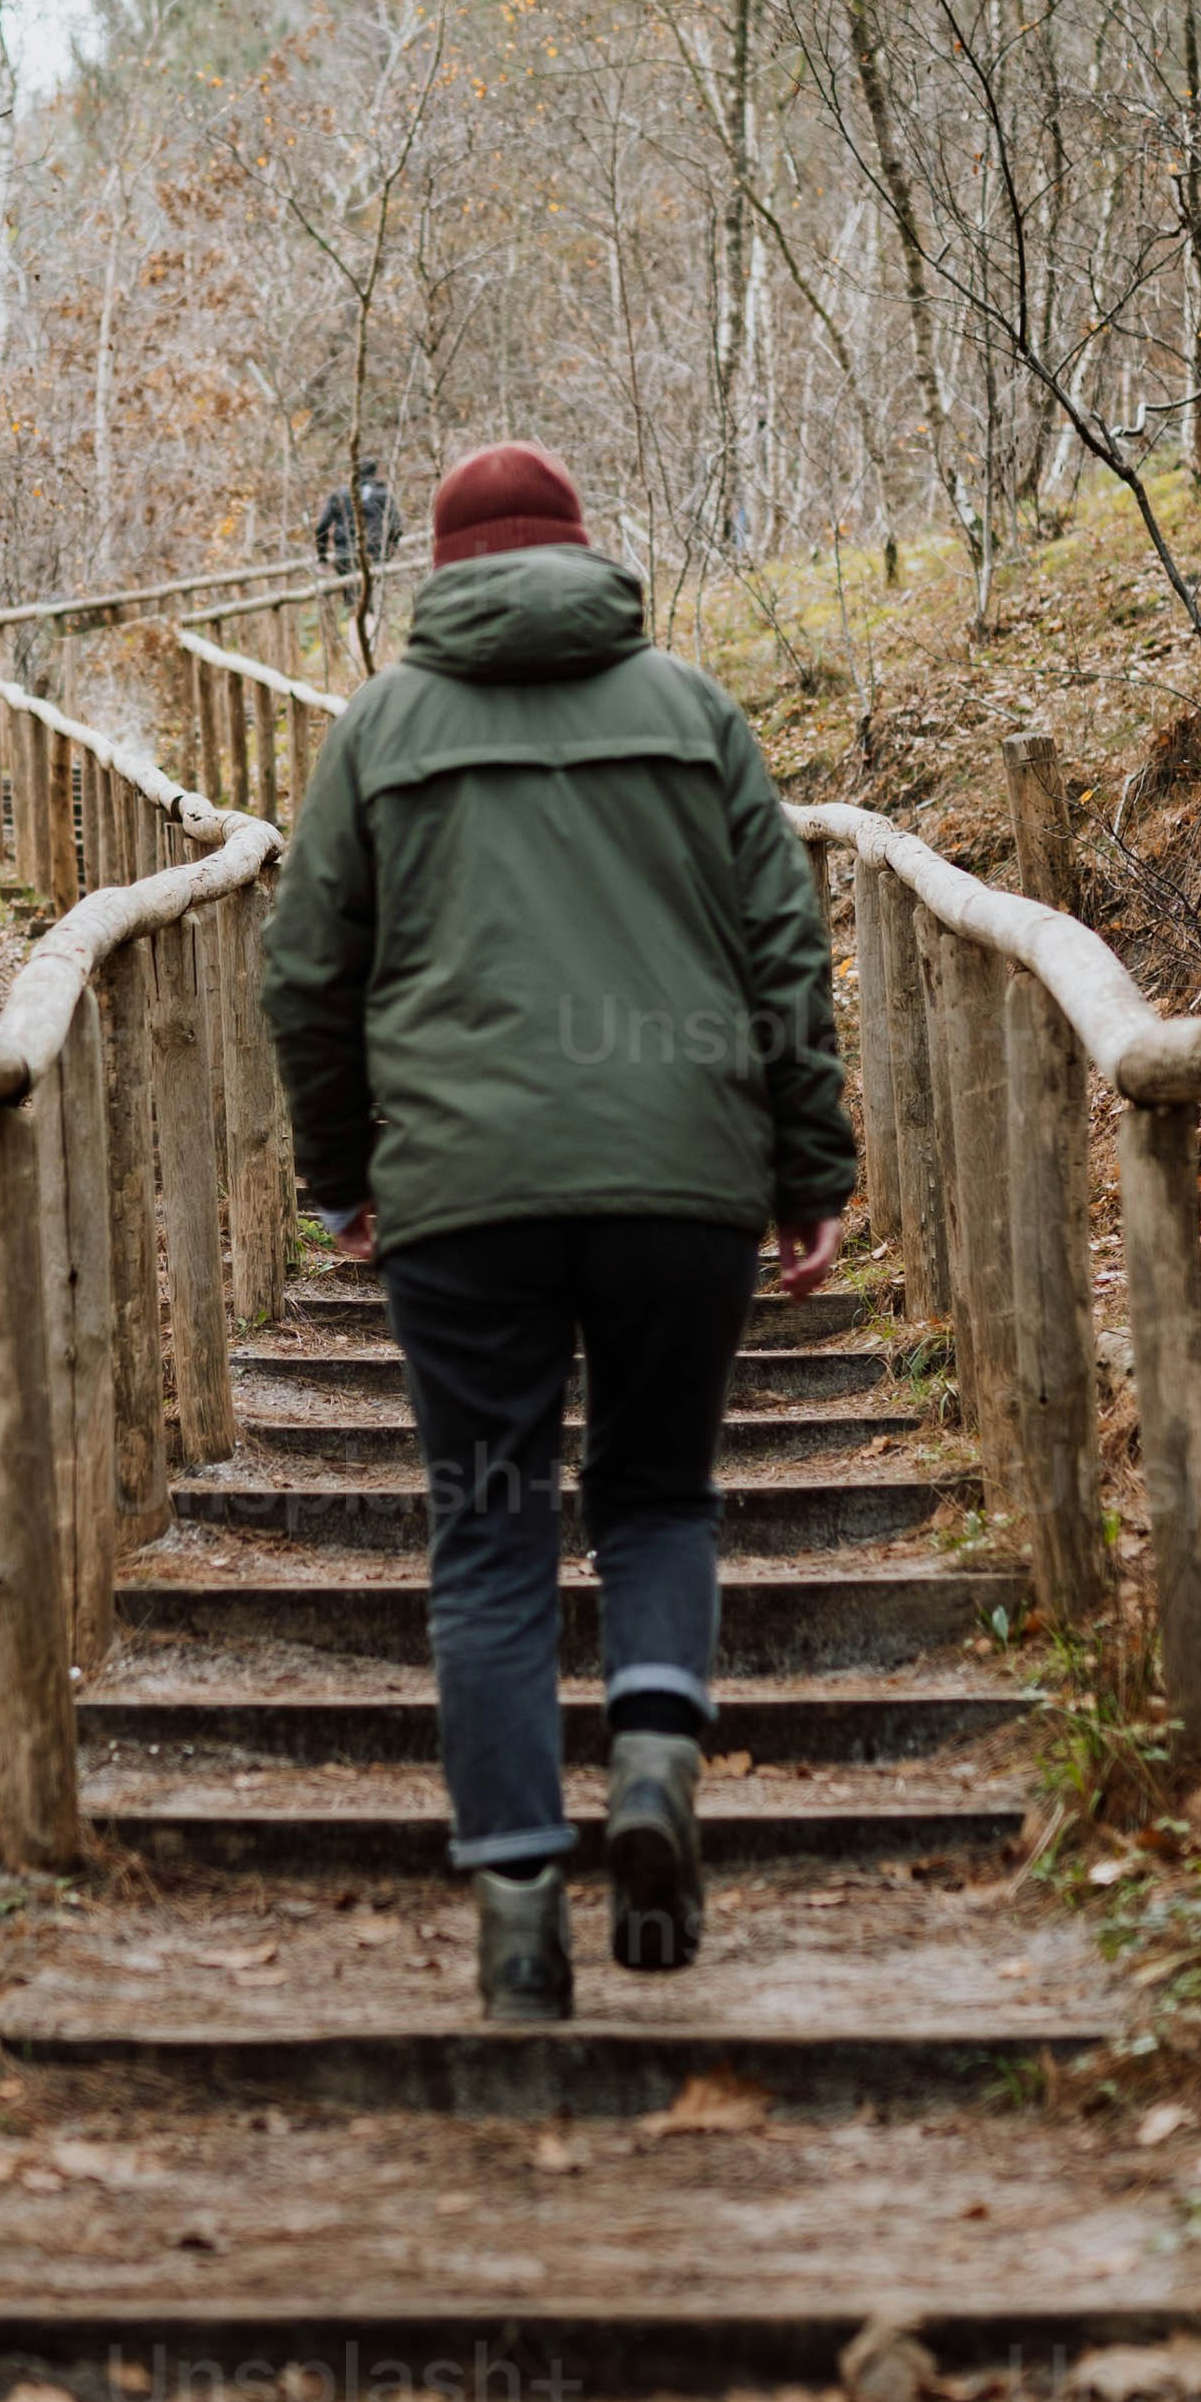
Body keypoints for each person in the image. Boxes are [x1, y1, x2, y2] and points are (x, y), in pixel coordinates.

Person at [261, 440, 857, 2017]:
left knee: (491, 1535)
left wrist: (347, 1176)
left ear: (438, 569)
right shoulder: (689, 709)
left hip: (464, 1199)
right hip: (681, 1177)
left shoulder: (379, 729)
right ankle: (655, 1759)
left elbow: (306, 975)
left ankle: (522, 1916)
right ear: (583, 552)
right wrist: (810, 1175)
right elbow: (783, 948)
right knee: (658, 1493)